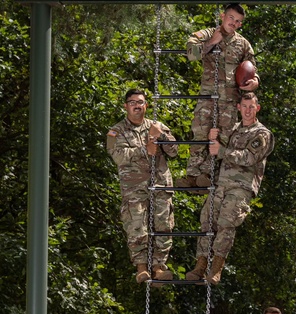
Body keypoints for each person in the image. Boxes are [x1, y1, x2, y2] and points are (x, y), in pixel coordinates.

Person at [187, 92, 274, 284]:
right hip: (221, 183)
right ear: (239, 108)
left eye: (251, 106)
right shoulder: (233, 129)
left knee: (227, 223)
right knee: (206, 221)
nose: (248, 110)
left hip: (241, 186)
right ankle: (200, 266)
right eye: (244, 106)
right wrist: (213, 138)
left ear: (257, 108)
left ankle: (216, 269)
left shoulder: (262, 133)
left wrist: (222, 151)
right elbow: (217, 146)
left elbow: (249, 158)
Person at [177, 3, 258, 188]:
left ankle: (208, 175)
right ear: (222, 16)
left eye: (238, 22)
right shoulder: (205, 34)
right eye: (231, 18)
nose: (234, 23)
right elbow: (191, 54)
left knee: (222, 137)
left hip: (230, 100)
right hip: (207, 95)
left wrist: (255, 82)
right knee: (200, 131)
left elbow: (253, 68)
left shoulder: (243, 44)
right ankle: (191, 175)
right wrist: (211, 42)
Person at [107, 88, 179, 283]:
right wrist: (144, 148)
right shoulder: (116, 131)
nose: (137, 105)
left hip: (160, 185)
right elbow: (118, 157)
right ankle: (141, 267)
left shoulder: (157, 126)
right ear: (125, 106)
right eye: (132, 102)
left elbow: (174, 152)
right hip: (134, 188)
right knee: (137, 226)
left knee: (163, 225)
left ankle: (158, 267)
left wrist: (161, 136)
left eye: (140, 102)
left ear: (146, 105)